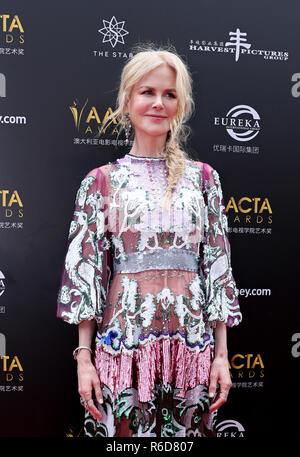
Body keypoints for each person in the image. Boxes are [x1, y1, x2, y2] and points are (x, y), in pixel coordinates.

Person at [56, 44, 242, 437]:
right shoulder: (101, 182)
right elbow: (86, 275)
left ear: (181, 104)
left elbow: (218, 268)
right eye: (148, 92)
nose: (159, 103)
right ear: (127, 101)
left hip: (192, 349)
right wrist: (84, 360)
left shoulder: (204, 179)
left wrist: (222, 356)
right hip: (123, 349)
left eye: (169, 94)